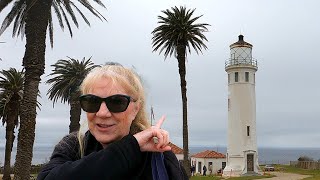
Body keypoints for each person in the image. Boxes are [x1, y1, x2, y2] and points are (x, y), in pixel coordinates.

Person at [37, 65, 188, 180]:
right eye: (92, 101)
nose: (102, 113)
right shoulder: (73, 147)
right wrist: (131, 146)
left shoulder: (159, 158)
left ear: (136, 109)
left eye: (117, 102)